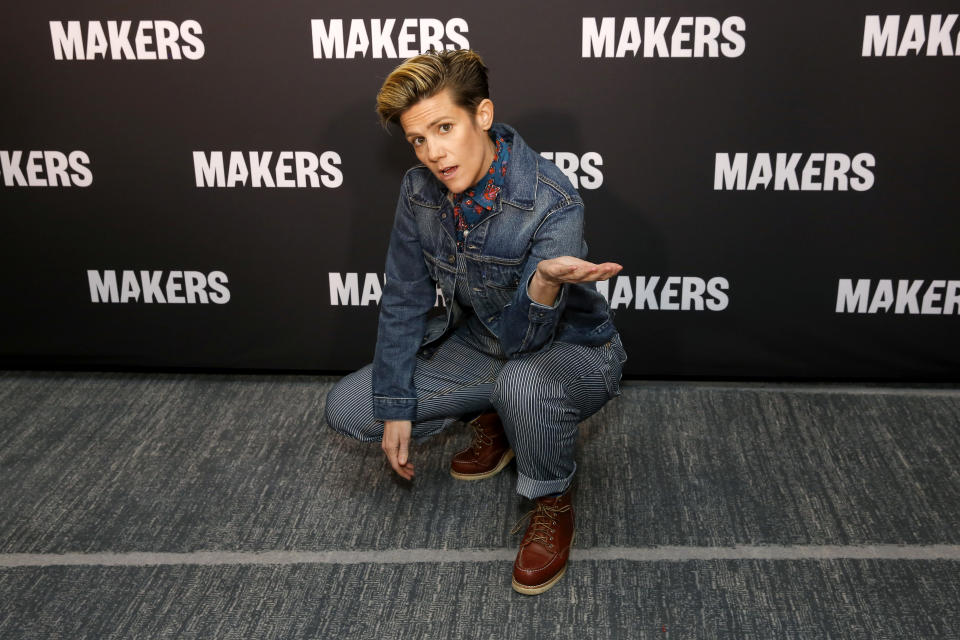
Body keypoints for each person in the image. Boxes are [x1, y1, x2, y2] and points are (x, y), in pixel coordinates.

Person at [325, 49, 627, 595]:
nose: (434, 153)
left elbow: (526, 340)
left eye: (444, 128)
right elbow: (404, 299)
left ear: (482, 115)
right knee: (352, 407)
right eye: (419, 140)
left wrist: (543, 283)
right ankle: (498, 415)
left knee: (522, 383)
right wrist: (395, 404)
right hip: (482, 344)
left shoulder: (552, 200)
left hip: (570, 350)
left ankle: (551, 499)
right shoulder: (419, 191)